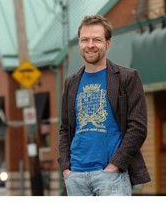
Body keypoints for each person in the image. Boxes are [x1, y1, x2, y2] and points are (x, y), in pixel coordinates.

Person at [58, 15, 151, 196]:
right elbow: (64, 129)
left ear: (108, 44)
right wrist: (65, 168)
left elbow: (138, 127)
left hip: (110, 177)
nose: (90, 44)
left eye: (97, 40)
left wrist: (114, 165)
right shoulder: (71, 82)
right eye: (85, 39)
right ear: (79, 43)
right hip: (75, 176)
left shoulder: (127, 77)